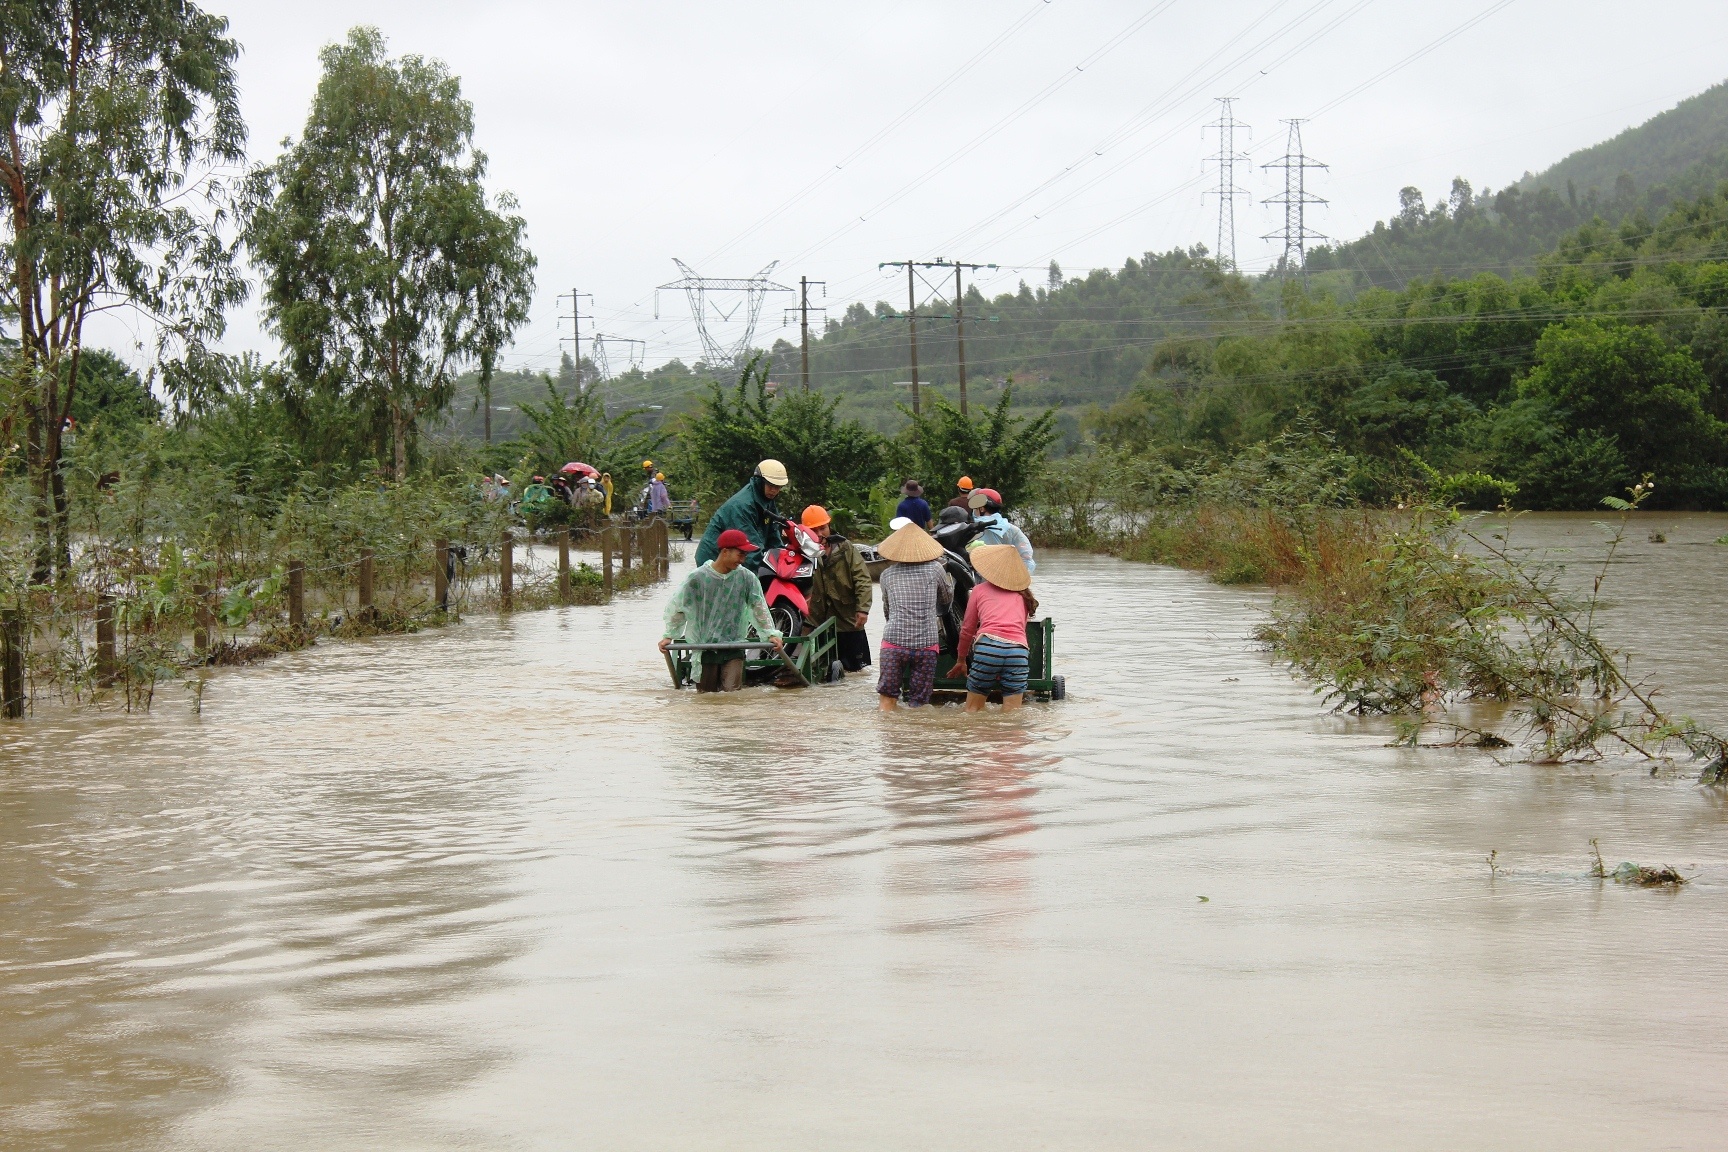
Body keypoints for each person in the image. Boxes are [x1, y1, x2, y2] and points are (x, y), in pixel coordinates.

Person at [660, 528, 784, 692]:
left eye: (745, 555)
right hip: (705, 647)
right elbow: (679, 607)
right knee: (706, 697)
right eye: (740, 554)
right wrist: (669, 635)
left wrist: (770, 634)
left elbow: (758, 607)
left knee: (731, 696)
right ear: (725, 552)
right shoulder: (697, 578)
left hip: (734, 646)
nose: (743, 560)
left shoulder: (746, 578)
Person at [875, 523, 952, 711]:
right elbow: (946, 598)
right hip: (925, 645)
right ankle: (916, 739)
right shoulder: (935, 569)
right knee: (919, 704)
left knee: (887, 698)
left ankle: (888, 737)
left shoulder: (886, 575)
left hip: (893, 644)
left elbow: (888, 610)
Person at [951, 544, 1036, 713]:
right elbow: (1020, 629)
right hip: (1018, 653)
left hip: (988, 648)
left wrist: (961, 660)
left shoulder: (979, 590)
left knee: (973, 710)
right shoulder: (1023, 595)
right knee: (1012, 714)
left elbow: (967, 628)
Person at [801, 505, 873, 672]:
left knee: (855, 671)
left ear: (829, 526)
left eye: (823, 528)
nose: (819, 534)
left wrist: (863, 609)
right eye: (814, 530)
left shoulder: (845, 548)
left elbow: (862, 579)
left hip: (848, 621)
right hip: (819, 622)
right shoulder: (802, 553)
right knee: (823, 671)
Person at [695, 459, 788, 569]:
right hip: (713, 558)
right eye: (770, 485)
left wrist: (783, 560)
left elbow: (774, 537)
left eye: (778, 487)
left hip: (735, 557)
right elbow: (751, 549)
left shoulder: (767, 501)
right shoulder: (742, 506)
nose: (774, 490)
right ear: (759, 481)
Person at [966, 487, 1035, 574]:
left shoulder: (970, 529)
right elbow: (1026, 558)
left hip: (979, 580)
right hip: (1006, 579)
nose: (973, 512)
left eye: (975, 509)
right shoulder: (1012, 530)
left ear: (982, 509)